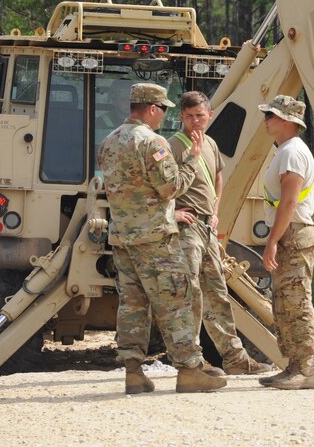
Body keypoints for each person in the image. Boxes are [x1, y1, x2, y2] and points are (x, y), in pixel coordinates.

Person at [98, 83, 226, 394]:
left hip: (123, 238)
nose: (162, 116)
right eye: (163, 109)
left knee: (132, 305)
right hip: (155, 239)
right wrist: (193, 159)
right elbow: (171, 188)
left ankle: (133, 371)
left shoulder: (109, 141)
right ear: (153, 109)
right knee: (176, 302)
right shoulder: (152, 142)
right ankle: (189, 370)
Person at [169, 91, 273, 376]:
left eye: (200, 116)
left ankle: (236, 359)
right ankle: (192, 361)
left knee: (217, 292)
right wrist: (173, 213)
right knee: (189, 293)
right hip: (185, 229)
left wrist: (215, 210)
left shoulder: (211, 144)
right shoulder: (174, 146)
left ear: (210, 115)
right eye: (189, 116)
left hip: (206, 227)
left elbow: (217, 176)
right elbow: (164, 187)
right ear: (181, 117)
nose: (195, 122)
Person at [255, 95, 314, 390]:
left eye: (270, 115)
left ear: (286, 121)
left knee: (297, 302)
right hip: (288, 233)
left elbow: (289, 202)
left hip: (293, 232)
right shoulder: (286, 150)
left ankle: (305, 369)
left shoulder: (292, 152)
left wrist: (272, 241)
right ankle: (294, 365)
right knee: (284, 303)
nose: (266, 119)